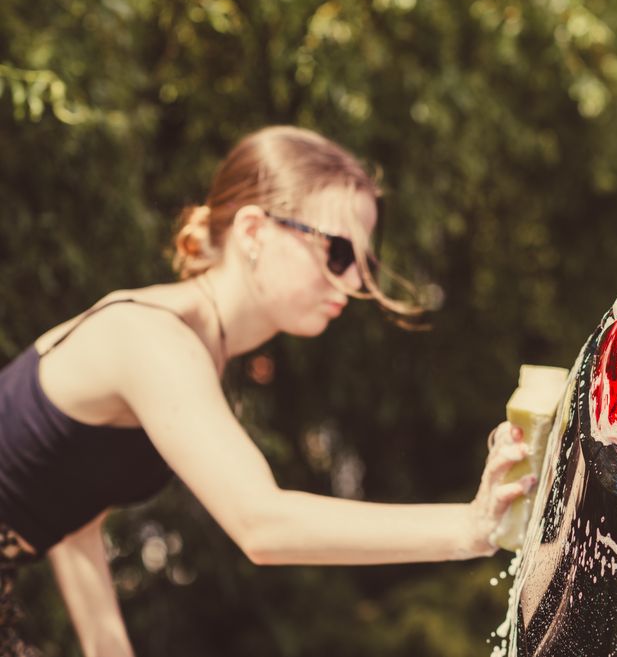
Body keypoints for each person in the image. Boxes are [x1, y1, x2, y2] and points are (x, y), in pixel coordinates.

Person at [0, 126, 534, 657]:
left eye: (363, 264)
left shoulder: (195, 351)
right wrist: (471, 526)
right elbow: (262, 524)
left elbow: (76, 516)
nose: (351, 284)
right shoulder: (154, 339)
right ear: (253, 230)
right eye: (337, 252)